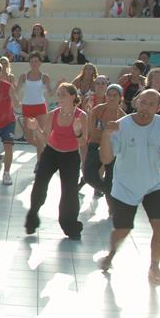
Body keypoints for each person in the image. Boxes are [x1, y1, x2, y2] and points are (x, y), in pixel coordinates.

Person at [100, 90, 160, 284]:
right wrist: (105, 136)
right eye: (143, 102)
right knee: (122, 230)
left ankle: (155, 266)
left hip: (153, 184)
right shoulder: (122, 125)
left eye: (151, 104)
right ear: (136, 102)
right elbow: (106, 158)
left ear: (158, 108)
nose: (145, 107)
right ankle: (111, 254)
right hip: (125, 185)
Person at [24, 84, 88, 239]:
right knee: (40, 184)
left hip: (71, 156)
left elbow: (82, 143)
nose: (59, 98)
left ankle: (70, 226)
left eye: (63, 94)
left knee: (70, 192)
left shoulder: (81, 116)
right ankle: (32, 217)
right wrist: (35, 128)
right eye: (58, 94)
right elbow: (45, 138)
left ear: (73, 97)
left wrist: (78, 132)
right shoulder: (53, 114)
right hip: (51, 153)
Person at [83, 83, 125, 200]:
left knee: (111, 178)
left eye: (115, 95)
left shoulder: (123, 117)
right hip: (95, 146)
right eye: (109, 95)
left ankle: (112, 208)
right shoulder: (98, 110)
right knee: (88, 176)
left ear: (120, 97)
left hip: (113, 150)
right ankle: (108, 190)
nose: (111, 98)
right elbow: (92, 131)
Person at [17, 52, 54, 159]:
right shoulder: (24, 76)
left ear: (40, 63)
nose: (34, 63)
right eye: (32, 61)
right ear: (29, 63)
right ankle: (46, 148)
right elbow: (16, 90)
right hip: (27, 107)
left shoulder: (44, 77)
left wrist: (58, 85)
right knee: (29, 138)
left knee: (39, 135)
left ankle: (39, 162)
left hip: (40, 107)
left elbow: (51, 93)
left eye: (36, 61)